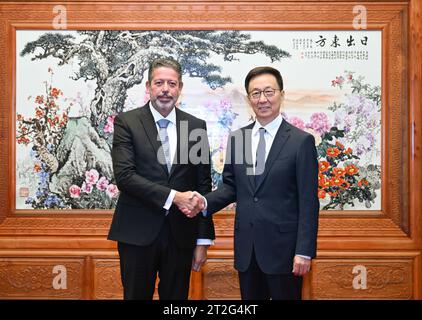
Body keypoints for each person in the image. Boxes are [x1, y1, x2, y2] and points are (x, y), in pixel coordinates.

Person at [196, 66, 319, 300]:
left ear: (282, 94)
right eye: (255, 93)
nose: (262, 99)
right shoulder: (238, 138)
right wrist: (202, 201)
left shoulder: (300, 142)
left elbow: (308, 201)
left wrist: (304, 251)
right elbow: (231, 187)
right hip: (247, 251)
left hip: (285, 253)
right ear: (248, 98)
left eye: (269, 92)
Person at [108, 58, 215, 300]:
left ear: (180, 88)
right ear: (148, 87)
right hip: (136, 232)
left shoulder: (195, 126)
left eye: (172, 83)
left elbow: (203, 186)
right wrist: (175, 197)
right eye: (159, 83)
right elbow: (125, 177)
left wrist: (203, 240)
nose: (165, 89)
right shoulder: (127, 122)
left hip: (181, 236)